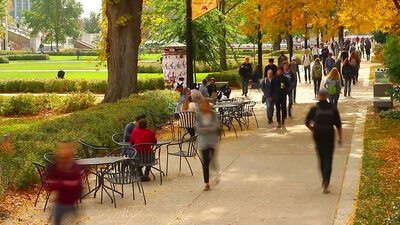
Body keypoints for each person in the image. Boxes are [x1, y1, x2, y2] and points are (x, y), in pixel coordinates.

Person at [305, 89, 343, 194]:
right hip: (329, 136)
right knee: (328, 159)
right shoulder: (333, 108)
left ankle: (324, 179)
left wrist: (313, 129)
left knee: (321, 158)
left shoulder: (314, 109)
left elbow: (307, 122)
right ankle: (326, 180)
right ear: (327, 96)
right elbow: (338, 125)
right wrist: (340, 138)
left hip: (318, 136)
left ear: (318, 96)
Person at [47, 141, 82, 225]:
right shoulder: (56, 165)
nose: (64, 151)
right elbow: (50, 184)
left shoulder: (74, 166)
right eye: (63, 149)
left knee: (74, 221)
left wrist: (60, 184)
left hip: (71, 202)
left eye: (67, 149)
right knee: (57, 221)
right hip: (60, 202)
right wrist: (65, 183)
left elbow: (77, 184)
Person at [196, 99, 220, 191]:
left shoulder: (214, 114)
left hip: (213, 141)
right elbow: (197, 128)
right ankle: (207, 183)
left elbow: (215, 126)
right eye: (203, 105)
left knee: (212, 160)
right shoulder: (198, 116)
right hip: (203, 142)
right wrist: (208, 129)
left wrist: (205, 129)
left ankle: (216, 173)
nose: (205, 107)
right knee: (205, 163)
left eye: (206, 105)